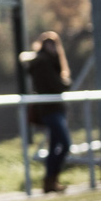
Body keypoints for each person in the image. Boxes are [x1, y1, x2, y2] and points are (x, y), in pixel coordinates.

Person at [24, 31, 73, 192]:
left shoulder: (53, 62)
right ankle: (50, 178)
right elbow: (57, 86)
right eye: (48, 43)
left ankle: (51, 181)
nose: (52, 47)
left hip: (56, 108)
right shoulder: (43, 62)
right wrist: (64, 83)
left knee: (54, 146)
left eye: (54, 44)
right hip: (49, 110)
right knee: (65, 144)